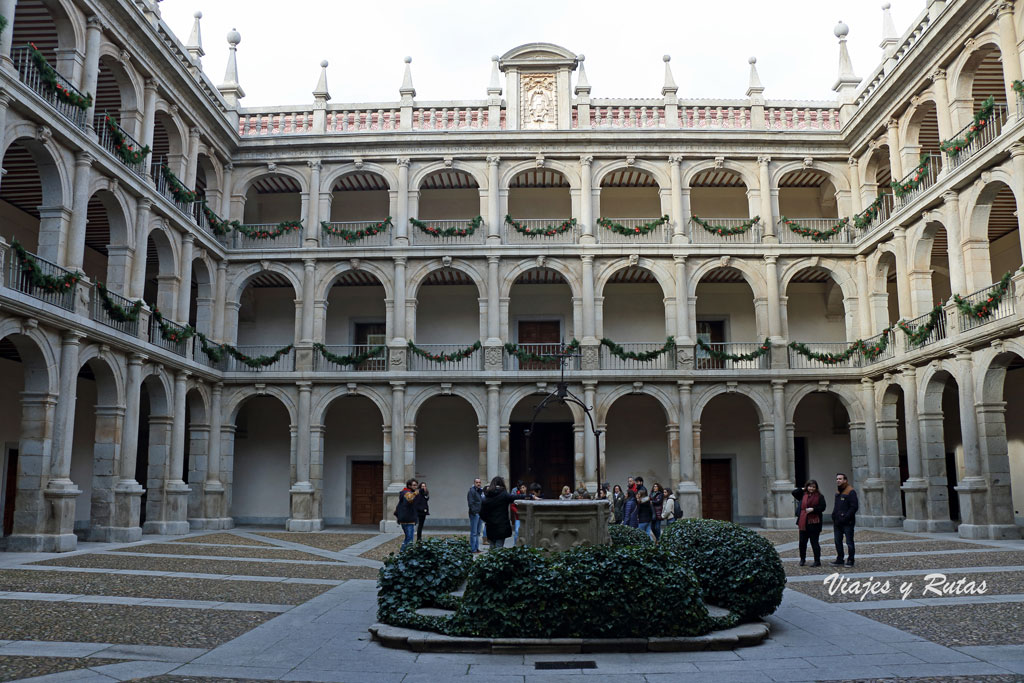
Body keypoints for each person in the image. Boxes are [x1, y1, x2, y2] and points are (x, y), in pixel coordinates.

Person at [480, 476, 527, 548]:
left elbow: (482, 512)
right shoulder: (503, 494)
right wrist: (529, 496)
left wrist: (488, 520)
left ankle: (491, 559)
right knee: (499, 547)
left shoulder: (487, 495)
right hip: (501, 525)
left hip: (490, 526)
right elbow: (515, 497)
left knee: (492, 546)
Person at [792, 479, 826, 567]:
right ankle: (802, 559)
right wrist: (803, 488)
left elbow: (823, 507)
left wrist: (813, 509)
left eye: (813, 487)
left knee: (814, 543)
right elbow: (794, 492)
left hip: (814, 523)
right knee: (802, 543)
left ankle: (817, 561)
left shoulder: (820, 496)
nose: (811, 488)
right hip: (803, 522)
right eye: (810, 486)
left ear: (816, 488)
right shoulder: (803, 495)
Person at [831, 472, 859, 567]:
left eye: (840, 479)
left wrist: (846, 516)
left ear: (845, 480)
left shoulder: (850, 491)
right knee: (837, 541)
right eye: (837, 479)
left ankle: (851, 560)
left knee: (849, 542)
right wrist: (834, 515)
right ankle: (840, 559)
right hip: (837, 521)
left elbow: (854, 507)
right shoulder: (838, 491)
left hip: (848, 522)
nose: (838, 480)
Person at [394, 478, 419, 551]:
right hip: (408, 519)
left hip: (405, 518)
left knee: (407, 538)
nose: (415, 487)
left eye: (416, 485)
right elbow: (409, 499)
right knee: (409, 539)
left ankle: (404, 554)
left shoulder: (404, 492)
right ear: (409, 486)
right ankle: (403, 554)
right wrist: (415, 493)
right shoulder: (407, 493)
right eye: (414, 485)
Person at [467, 477, 484, 553]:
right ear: (474, 483)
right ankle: (473, 549)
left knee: (478, 532)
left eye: (479, 482)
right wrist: (475, 512)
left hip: (480, 514)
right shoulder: (471, 491)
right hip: (475, 514)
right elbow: (470, 503)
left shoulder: (480, 491)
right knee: (474, 532)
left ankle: (476, 548)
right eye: (477, 482)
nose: (478, 484)